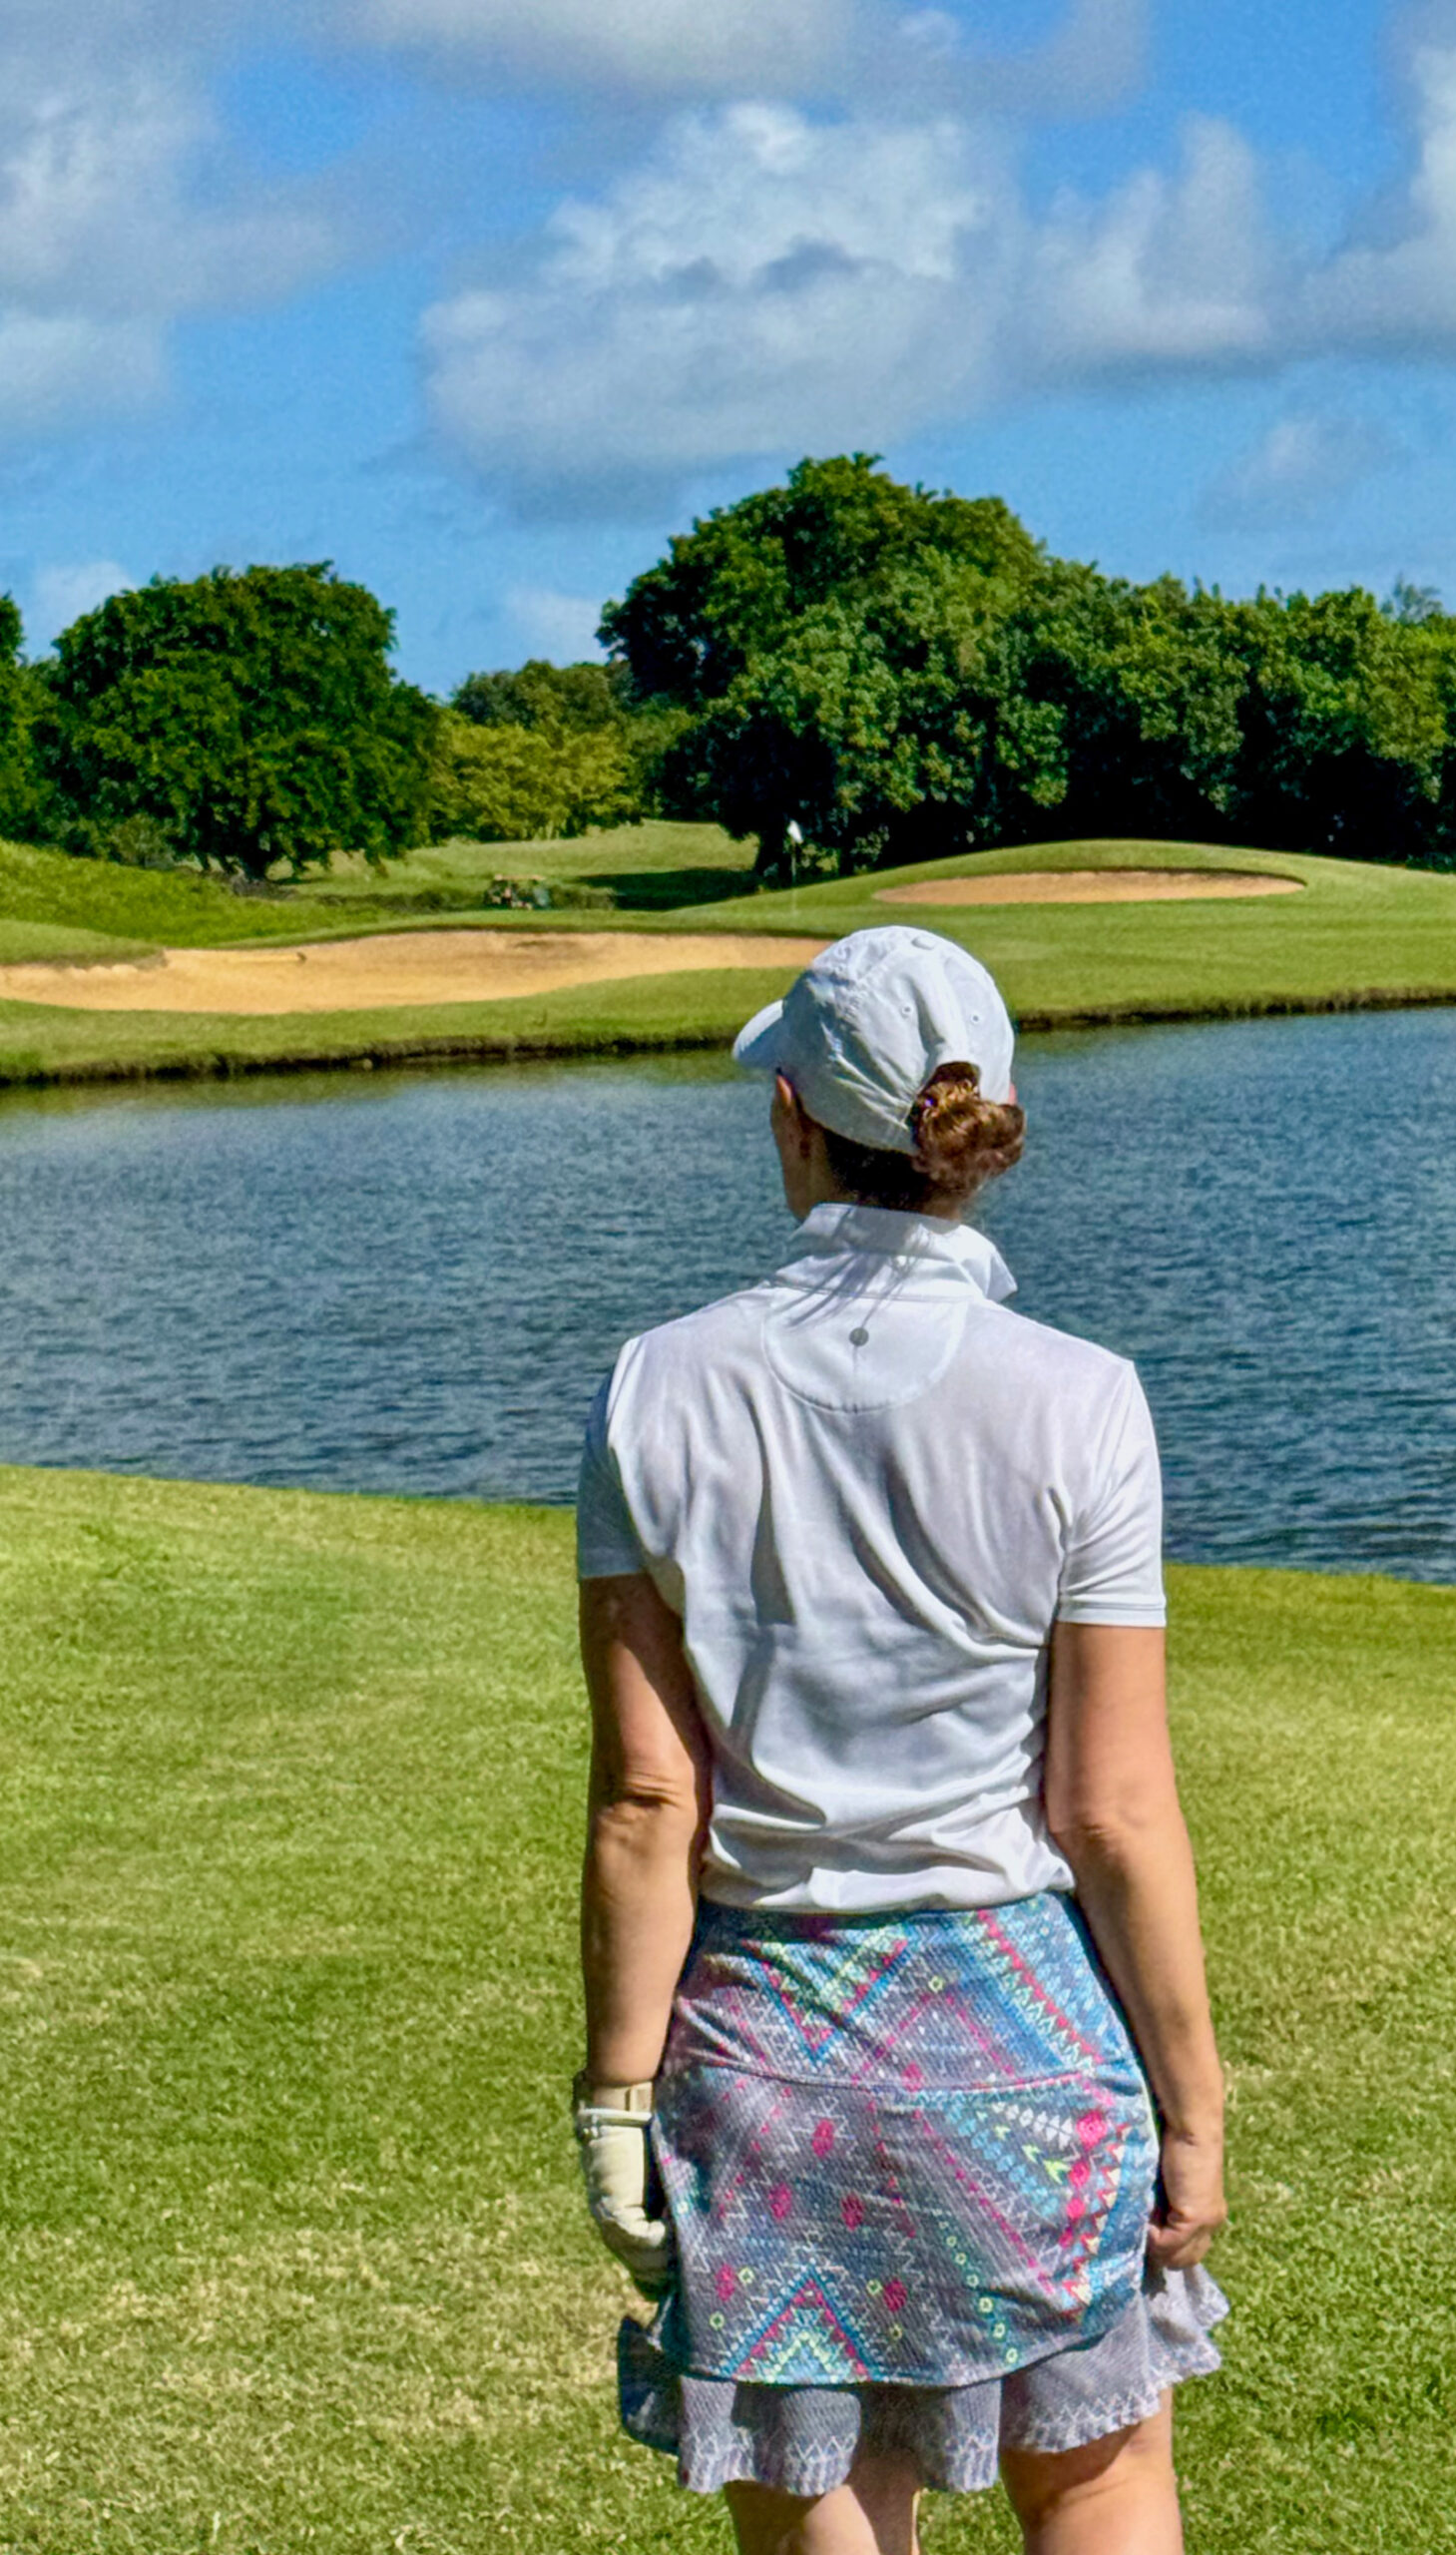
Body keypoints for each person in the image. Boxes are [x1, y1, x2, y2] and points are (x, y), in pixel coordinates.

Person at [574, 925, 1227, 2555]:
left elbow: (653, 1798)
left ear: (793, 1117)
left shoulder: (656, 1388)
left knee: (823, 2503)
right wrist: (1197, 2108)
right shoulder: (1082, 1397)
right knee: (1092, 2475)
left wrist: (612, 2099)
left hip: (764, 2060)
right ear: (976, 1123)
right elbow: (1113, 1808)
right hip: (1026, 2045)